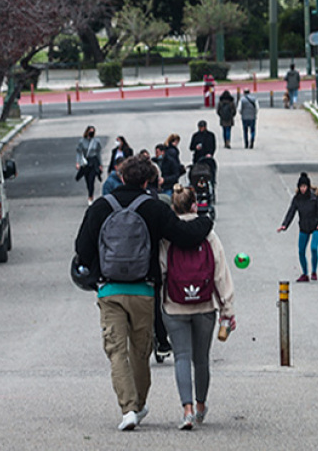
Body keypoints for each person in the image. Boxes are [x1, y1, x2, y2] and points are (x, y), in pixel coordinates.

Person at [74, 156, 214, 431]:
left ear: (121, 177)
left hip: (109, 290)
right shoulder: (153, 208)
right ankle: (137, 403)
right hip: (144, 290)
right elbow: (184, 235)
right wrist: (205, 221)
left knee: (116, 351)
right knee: (140, 352)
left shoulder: (101, 207)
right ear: (148, 181)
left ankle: (128, 409)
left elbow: (82, 249)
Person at [161, 185, 235, 430]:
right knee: (201, 358)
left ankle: (187, 410)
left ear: (174, 207)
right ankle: (201, 405)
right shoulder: (209, 235)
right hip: (205, 305)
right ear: (195, 205)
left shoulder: (167, 235)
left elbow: (161, 270)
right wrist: (227, 309)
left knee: (181, 356)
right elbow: (220, 274)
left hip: (174, 305)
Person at [276, 173, 318, 282]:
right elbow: (291, 212)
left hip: (316, 226)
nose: (303, 189)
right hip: (304, 227)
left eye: (304, 187)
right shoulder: (297, 199)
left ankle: (314, 271)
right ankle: (305, 274)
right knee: (301, 251)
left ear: (308, 186)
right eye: (301, 187)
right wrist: (284, 225)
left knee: (314, 248)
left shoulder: (315, 197)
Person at [75, 126, 104, 205]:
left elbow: (98, 153)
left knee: (91, 180)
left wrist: (100, 164)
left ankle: (90, 196)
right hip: (86, 162)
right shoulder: (82, 141)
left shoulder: (96, 141)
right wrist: (78, 162)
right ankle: (90, 192)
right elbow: (79, 152)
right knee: (87, 180)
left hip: (94, 162)